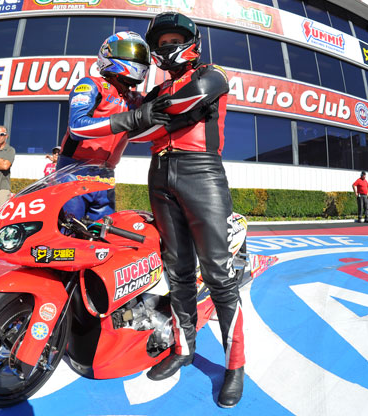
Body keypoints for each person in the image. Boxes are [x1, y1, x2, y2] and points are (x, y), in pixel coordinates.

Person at [131, 12, 244, 408]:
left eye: (173, 40)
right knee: (177, 272)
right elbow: (136, 130)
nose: (167, 47)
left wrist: (152, 114)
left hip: (202, 173)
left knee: (219, 274)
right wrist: (151, 115)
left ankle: (235, 366)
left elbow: (186, 102)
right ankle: (183, 348)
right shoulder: (158, 88)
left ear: (191, 41)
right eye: (161, 43)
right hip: (159, 174)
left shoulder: (214, 74)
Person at [57, 30, 170, 220]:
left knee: (103, 234)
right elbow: (77, 127)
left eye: (139, 53)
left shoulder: (135, 99)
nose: (135, 58)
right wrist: (132, 118)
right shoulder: (91, 84)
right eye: (127, 51)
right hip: (72, 172)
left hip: (106, 176)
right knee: (66, 232)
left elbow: (146, 129)